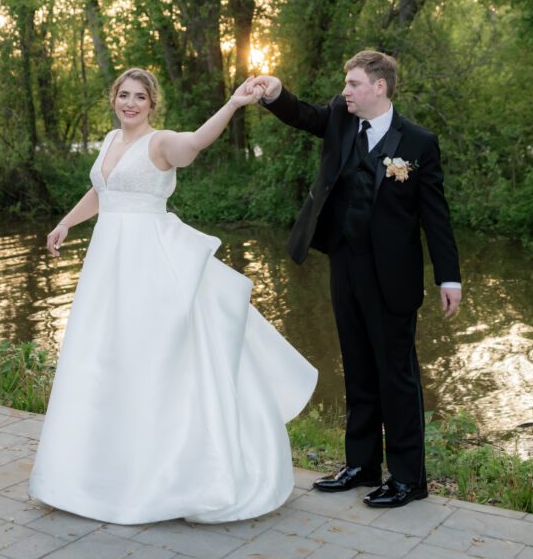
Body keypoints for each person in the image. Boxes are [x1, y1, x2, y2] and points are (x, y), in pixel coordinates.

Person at [29, 67, 317, 524]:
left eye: (139, 97)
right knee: (103, 357)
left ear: (151, 103)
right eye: (124, 95)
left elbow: (196, 142)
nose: (130, 103)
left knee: (155, 358)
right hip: (108, 265)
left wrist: (234, 103)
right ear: (114, 99)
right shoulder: (110, 140)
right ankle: (98, 471)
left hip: (148, 264)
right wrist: (66, 222)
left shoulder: (160, 142)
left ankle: (164, 475)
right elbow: (101, 192)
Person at [252, 50, 461, 509]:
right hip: (345, 264)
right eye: (346, 84)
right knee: (357, 366)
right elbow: (304, 115)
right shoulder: (341, 119)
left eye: (353, 84)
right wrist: (275, 94)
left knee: (397, 376)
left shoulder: (419, 142)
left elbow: (436, 216)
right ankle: (362, 466)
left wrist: (450, 278)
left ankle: (408, 479)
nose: (345, 91)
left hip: (394, 275)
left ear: (379, 87)